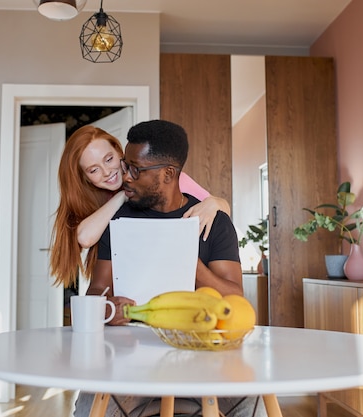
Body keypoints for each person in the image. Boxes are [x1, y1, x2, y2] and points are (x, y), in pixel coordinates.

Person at [75, 120, 264, 417]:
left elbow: (235, 299)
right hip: (132, 355)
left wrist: (189, 262)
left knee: (254, 404)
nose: (126, 176)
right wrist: (108, 308)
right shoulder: (118, 222)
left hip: (206, 352)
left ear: (168, 174)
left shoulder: (213, 222)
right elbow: (96, 289)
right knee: (89, 408)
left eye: (136, 169)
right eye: (126, 165)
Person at [49, 125, 230, 289]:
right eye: (93, 170)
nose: (107, 172)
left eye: (109, 159)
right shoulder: (97, 198)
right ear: (85, 178)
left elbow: (222, 211)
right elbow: (85, 238)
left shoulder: (166, 180)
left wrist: (214, 203)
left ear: (120, 153)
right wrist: (122, 196)